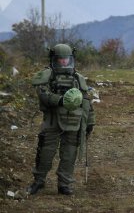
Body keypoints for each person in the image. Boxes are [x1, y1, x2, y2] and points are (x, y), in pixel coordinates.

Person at [27, 44, 95, 195]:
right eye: (61, 60)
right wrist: (60, 100)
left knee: (70, 153)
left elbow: (86, 101)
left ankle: (64, 184)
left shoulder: (77, 78)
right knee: (45, 152)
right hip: (52, 120)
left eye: (67, 60)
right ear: (54, 59)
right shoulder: (47, 75)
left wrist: (90, 121)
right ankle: (38, 181)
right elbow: (43, 95)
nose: (64, 63)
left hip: (73, 121)